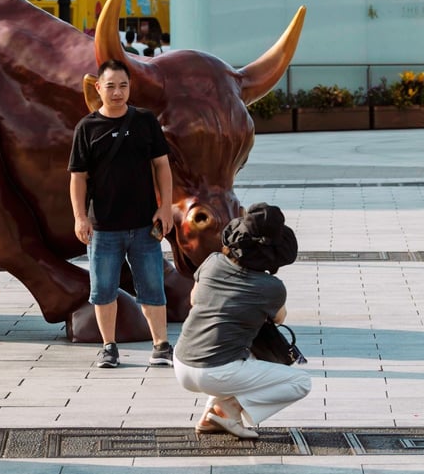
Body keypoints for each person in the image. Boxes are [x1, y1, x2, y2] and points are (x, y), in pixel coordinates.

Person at [69, 59, 174, 368]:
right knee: (102, 289)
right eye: (111, 86)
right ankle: (109, 347)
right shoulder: (86, 127)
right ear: (98, 88)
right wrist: (79, 216)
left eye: (123, 86)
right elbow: (77, 177)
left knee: (152, 286)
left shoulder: (145, 121)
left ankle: (162, 345)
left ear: (131, 88)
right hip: (103, 227)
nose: (117, 92)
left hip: (144, 224)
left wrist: (165, 206)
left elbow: (162, 166)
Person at [174, 203, 311, 440]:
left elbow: (195, 300)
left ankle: (211, 416)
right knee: (301, 382)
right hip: (216, 372)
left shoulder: (213, 262)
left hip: (182, 361)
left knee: (250, 353)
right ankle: (230, 409)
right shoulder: (272, 287)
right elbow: (279, 318)